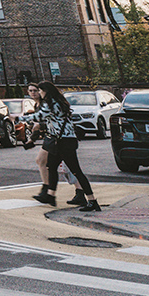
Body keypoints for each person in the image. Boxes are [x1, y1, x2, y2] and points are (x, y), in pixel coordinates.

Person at [32, 81, 99, 212]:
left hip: (65, 142)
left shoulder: (53, 104)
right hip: (60, 141)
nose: (39, 93)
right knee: (51, 167)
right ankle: (50, 195)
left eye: (40, 90)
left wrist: (15, 119)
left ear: (46, 91)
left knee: (76, 171)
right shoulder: (57, 102)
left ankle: (92, 200)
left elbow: (38, 116)